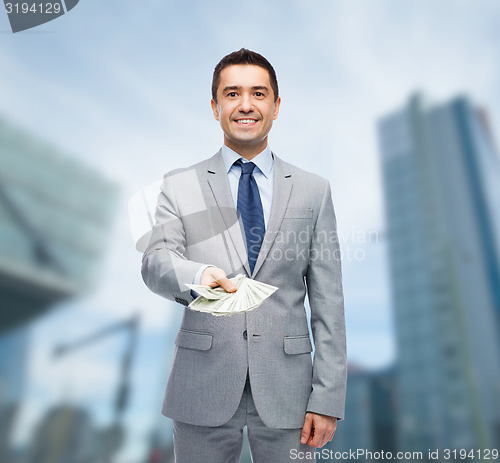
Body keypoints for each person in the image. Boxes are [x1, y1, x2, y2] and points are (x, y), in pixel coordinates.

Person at [141, 48, 346, 463]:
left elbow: (329, 301)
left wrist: (328, 397)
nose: (246, 105)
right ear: (215, 107)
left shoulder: (313, 190)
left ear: (276, 106)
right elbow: (156, 261)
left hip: (290, 391)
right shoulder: (179, 184)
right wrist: (199, 275)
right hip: (202, 386)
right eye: (232, 94)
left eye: (258, 93)